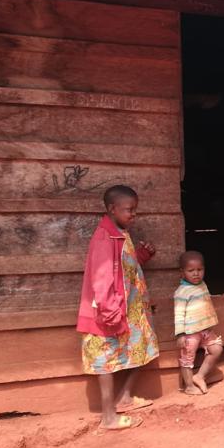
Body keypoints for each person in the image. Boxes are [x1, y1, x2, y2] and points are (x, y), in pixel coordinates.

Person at [77, 185, 159, 431]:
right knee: (106, 360)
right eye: (128, 209)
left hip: (130, 311)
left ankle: (124, 397)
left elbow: (125, 267)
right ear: (112, 209)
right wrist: (110, 313)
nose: (133, 214)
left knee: (143, 347)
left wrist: (142, 255)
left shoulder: (121, 233)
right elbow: (101, 280)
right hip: (111, 313)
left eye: (135, 209)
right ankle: (108, 417)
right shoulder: (105, 238)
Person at [173, 250, 224, 395]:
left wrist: (222, 297)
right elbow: (178, 314)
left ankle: (200, 376)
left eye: (199, 269)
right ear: (182, 272)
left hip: (205, 329)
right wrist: (180, 334)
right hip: (190, 333)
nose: (196, 274)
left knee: (216, 349)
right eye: (191, 271)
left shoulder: (202, 285)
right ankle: (189, 386)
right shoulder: (181, 292)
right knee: (187, 359)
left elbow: (206, 300)